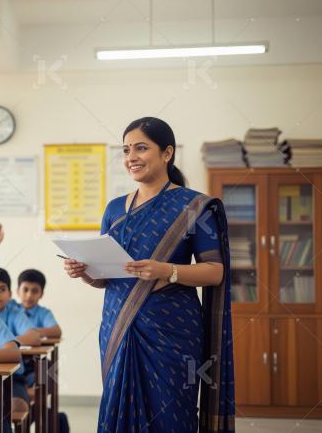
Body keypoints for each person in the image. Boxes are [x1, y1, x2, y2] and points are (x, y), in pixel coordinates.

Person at [63, 116, 234, 432]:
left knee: (171, 413)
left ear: (167, 153)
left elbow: (215, 272)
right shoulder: (115, 208)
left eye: (141, 148)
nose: (131, 157)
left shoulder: (195, 206)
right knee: (117, 407)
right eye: (126, 150)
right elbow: (107, 277)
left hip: (172, 329)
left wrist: (166, 271)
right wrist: (85, 271)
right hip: (118, 325)